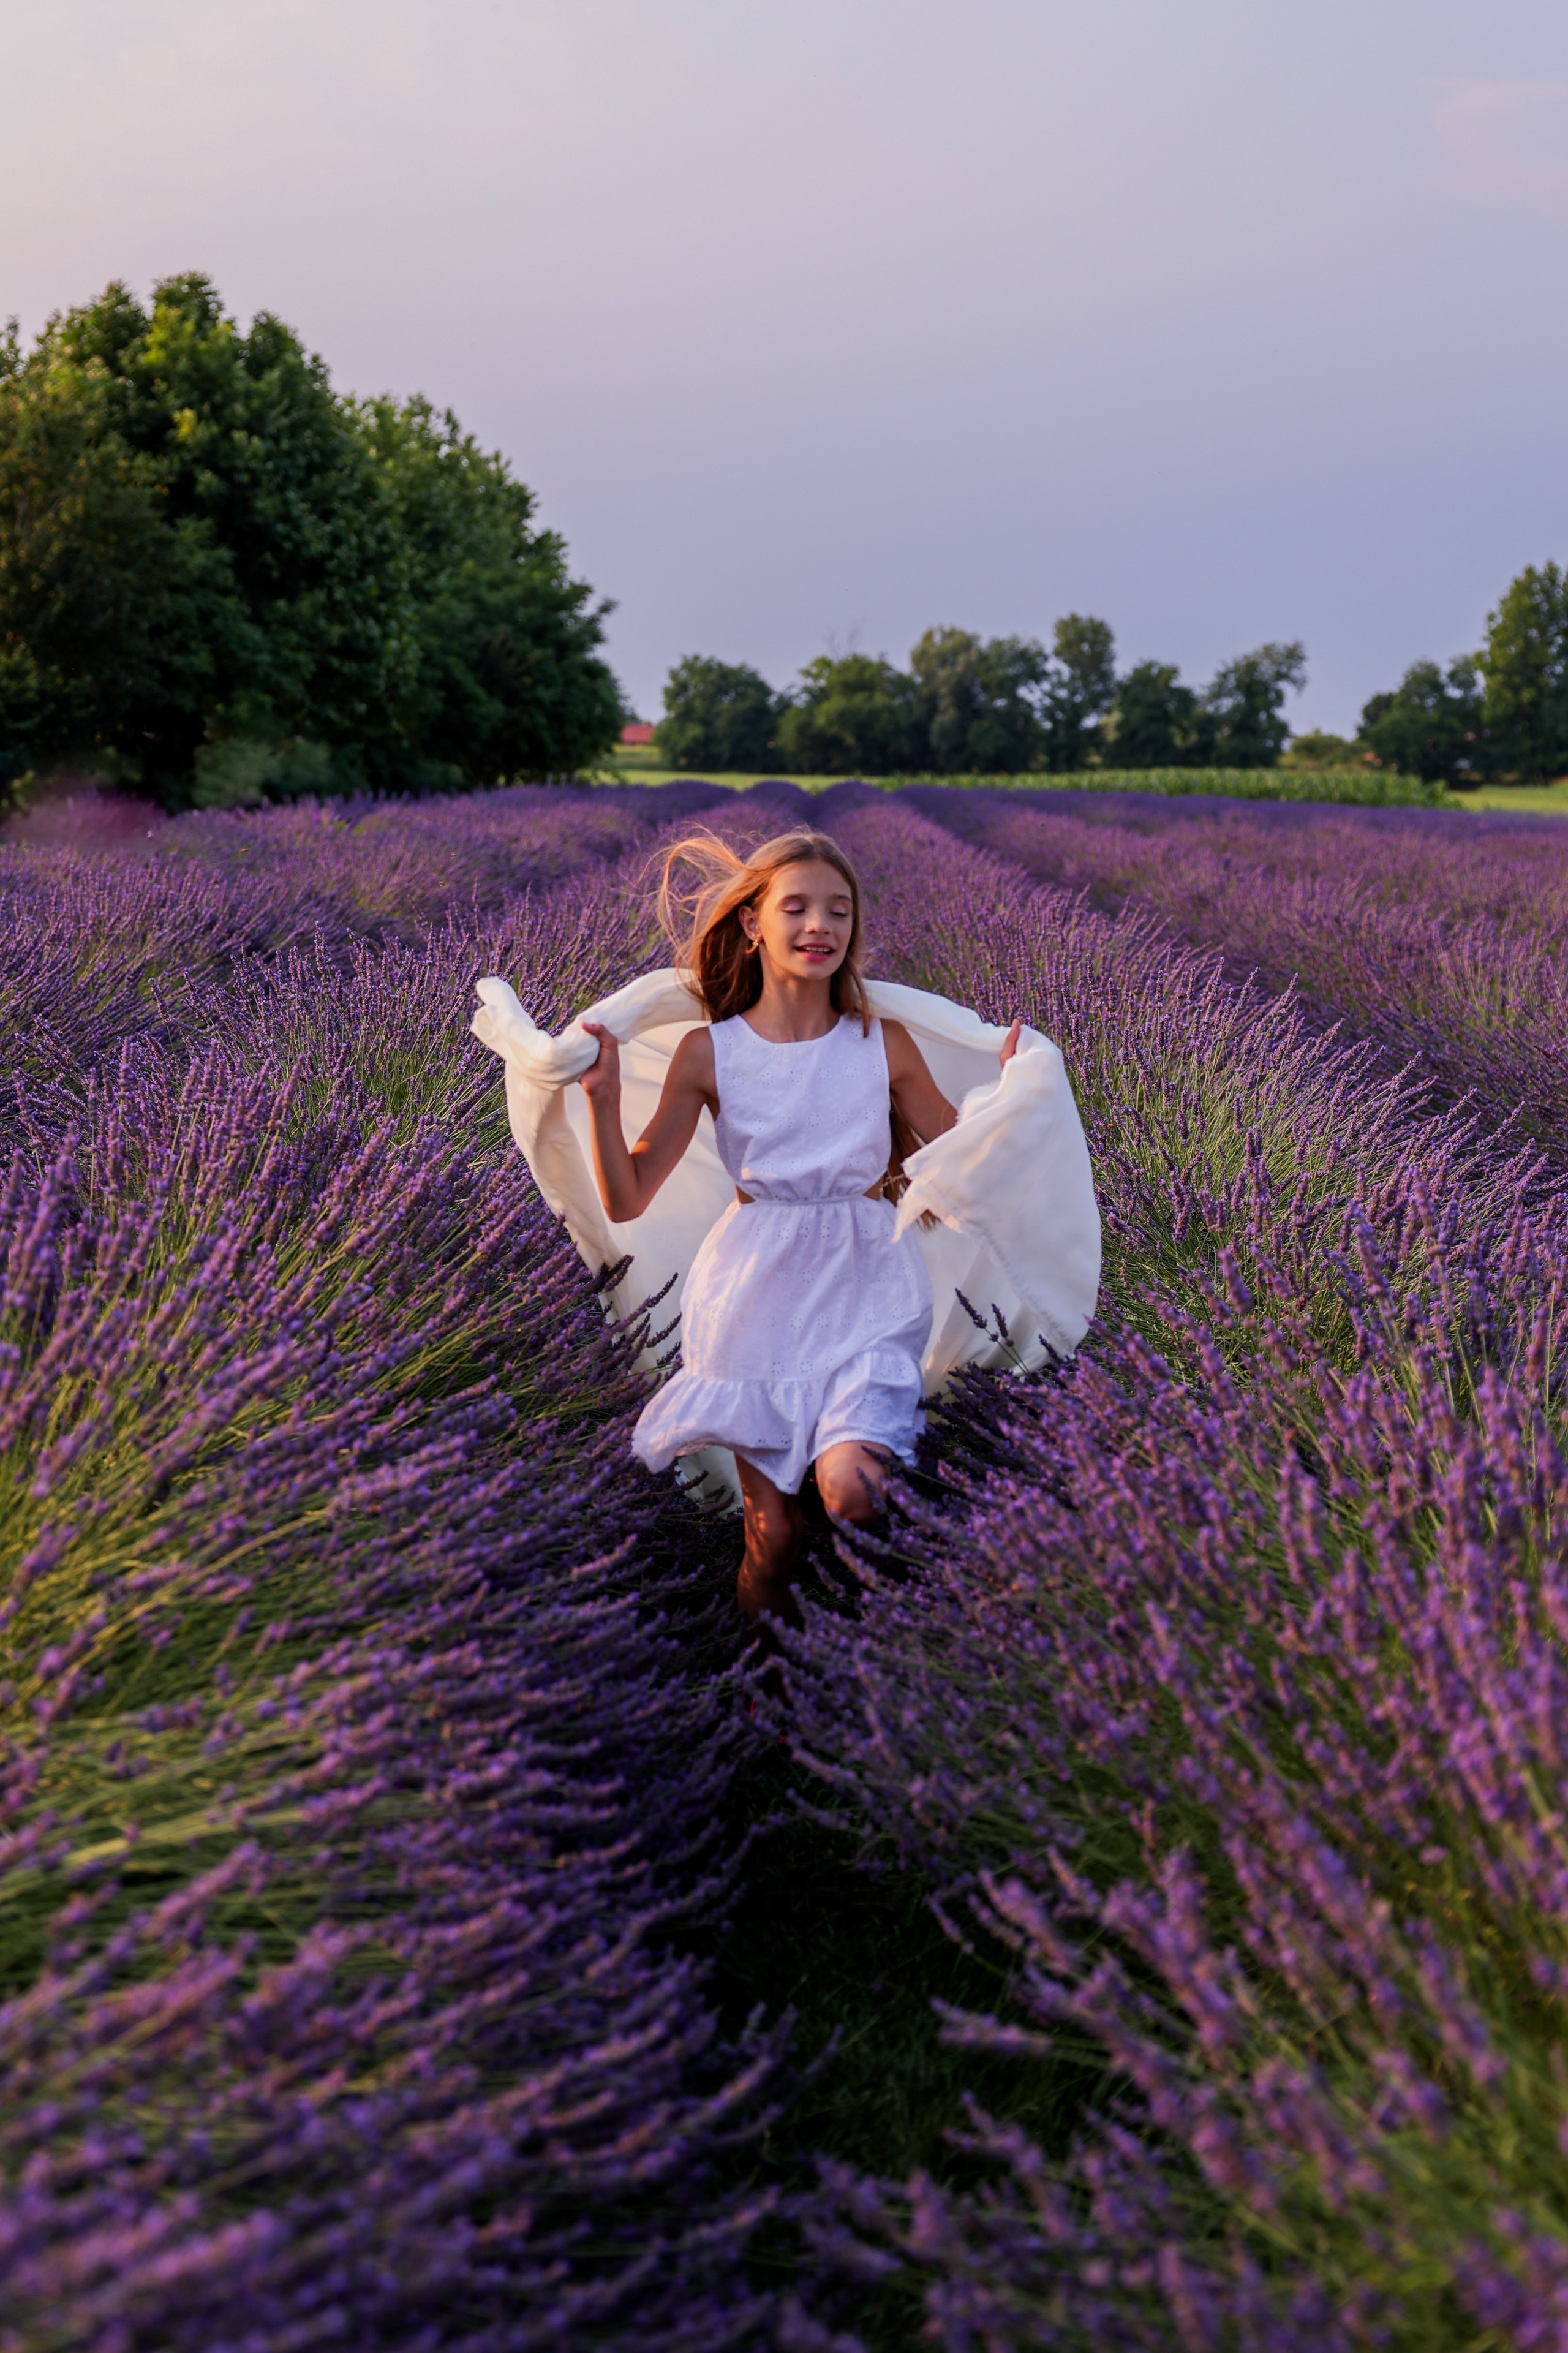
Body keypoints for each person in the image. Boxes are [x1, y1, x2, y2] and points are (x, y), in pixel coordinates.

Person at [575, 828, 1019, 1638]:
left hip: (865, 1288)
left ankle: (894, 1628)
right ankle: (774, 1695)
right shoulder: (710, 1053)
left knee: (853, 1488)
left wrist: (1013, 1095)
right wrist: (603, 1100)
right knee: (773, 1538)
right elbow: (629, 1194)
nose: (821, 925)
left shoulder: (881, 1044)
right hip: (754, 1299)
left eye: (839, 912)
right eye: (798, 907)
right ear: (752, 924)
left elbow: (963, 1163)